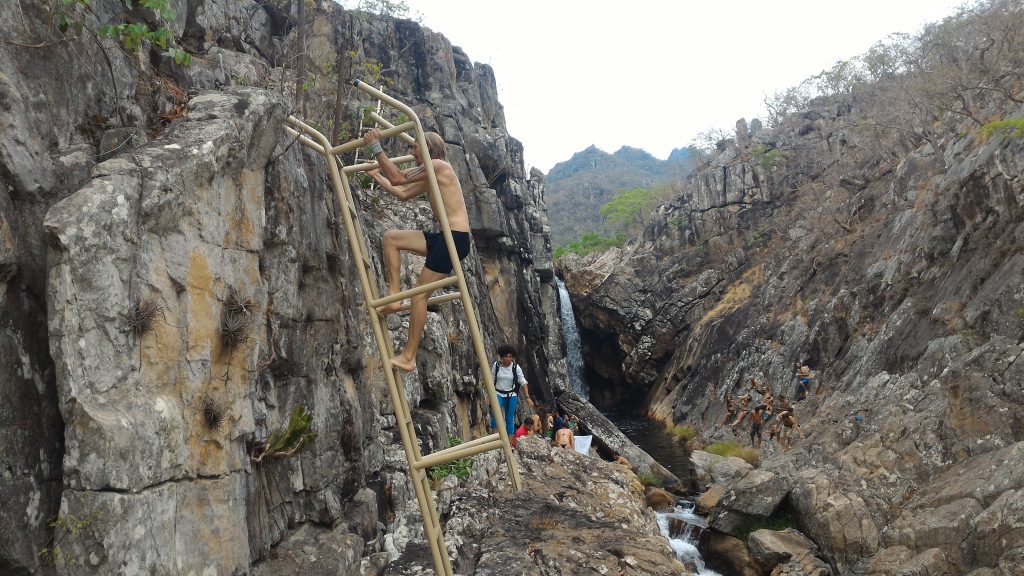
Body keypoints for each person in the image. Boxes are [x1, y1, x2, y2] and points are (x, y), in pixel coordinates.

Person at [363, 128, 471, 373]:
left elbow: (399, 178)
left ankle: (409, 356)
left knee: (419, 296)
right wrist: (376, 176)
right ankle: (393, 296)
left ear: (427, 147)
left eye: (414, 146)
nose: (411, 151)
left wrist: (376, 147)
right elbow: (402, 193)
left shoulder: (439, 166)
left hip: (455, 238)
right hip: (444, 237)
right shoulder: (431, 174)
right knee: (391, 239)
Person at [489, 344, 534, 436]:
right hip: (498, 393)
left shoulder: (515, 367)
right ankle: (495, 438)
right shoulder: (496, 366)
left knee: (509, 419)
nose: (508, 359)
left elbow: (523, 382)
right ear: (502, 356)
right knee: (495, 414)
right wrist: (488, 396)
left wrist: (527, 397)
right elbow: (491, 379)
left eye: (510, 356)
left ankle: (509, 443)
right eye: (506, 356)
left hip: (511, 395)